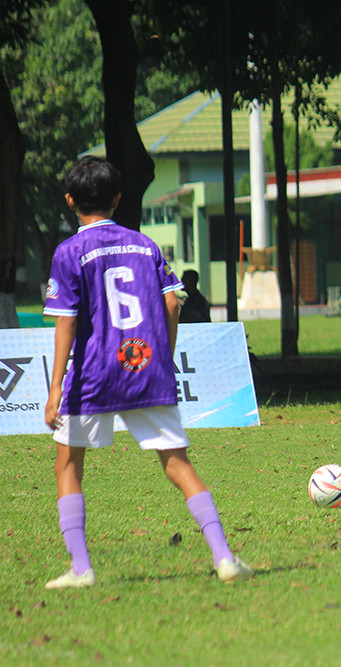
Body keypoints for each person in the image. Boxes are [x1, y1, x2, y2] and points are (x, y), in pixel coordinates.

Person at [42, 156, 252, 589]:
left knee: (68, 465)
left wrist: (55, 386)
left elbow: (66, 321)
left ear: (70, 201)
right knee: (177, 464)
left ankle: (81, 568)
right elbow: (172, 303)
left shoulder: (68, 252)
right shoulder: (145, 245)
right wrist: (163, 357)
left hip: (94, 375)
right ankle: (224, 557)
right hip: (145, 369)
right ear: (118, 199)